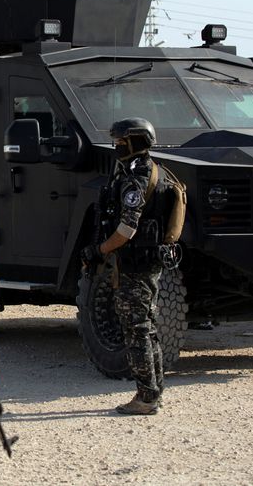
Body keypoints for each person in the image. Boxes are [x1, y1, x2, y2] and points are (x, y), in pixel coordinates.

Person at [82, 117, 174, 415]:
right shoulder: (156, 171)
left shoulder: (135, 177)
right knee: (148, 329)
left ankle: (146, 398)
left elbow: (127, 228)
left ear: (134, 142)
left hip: (134, 264)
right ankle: (153, 392)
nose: (116, 147)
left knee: (136, 331)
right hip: (148, 262)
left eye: (120, 142)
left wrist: (100, 250)